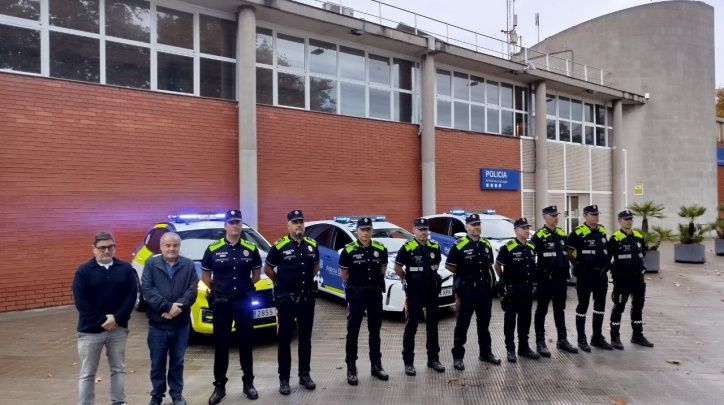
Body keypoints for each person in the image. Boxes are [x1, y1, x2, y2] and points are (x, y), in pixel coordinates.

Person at [203, 210, 263, 404]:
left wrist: (244, 289)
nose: (235, 225)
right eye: (231, 222)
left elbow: (256, 275)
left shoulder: (250, 248)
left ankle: (248, 384)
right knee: (221, 345)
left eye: (237, 222)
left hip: (244, 302)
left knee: (246, 343)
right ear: (225, 226)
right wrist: (221, 290)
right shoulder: (213, 249)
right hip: (222, 304)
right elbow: (206, 277)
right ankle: (219, 386)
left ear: (241, 225)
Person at [72, 232, 137, 405]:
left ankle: (118, 402)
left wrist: (116, 318)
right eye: (102, 248)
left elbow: (131, 297)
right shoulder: (83, 271)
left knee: (118, 369)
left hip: (118, 329)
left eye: (110, 247)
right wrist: (103, 320)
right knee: (87, 372)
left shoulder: (125, 269)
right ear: (94, 249)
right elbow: (81, 302)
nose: (106, 251)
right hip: (90, 332)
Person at [264, 210, 319, 395]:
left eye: (301, 222)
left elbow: (315, 267)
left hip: (306, 299)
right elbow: (268, 268)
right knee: (285, 340)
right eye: (295, 222)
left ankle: (305, 375)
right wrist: (281, 282)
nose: (299, 225)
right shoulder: (279, 246)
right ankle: (284, 379)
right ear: (288, 225)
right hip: (286, 300)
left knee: (305, 339)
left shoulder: (312, 245)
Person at [141, 232, 199, 405]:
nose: (171, 248)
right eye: (168, 245)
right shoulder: (151, 263)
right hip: (158, 324)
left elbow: (192, 290)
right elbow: (147, 289)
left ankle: (176, 394)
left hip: (180, 324)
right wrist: (166, 307)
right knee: (157, 362)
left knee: (177, 362)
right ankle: (157, 395)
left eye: (175, 245)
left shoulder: (188, 265)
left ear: (179, 247)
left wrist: (176, 309)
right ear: (161, 247)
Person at [446, 213, 501, 371]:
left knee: (484, 324)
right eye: (473, 224)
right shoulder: (459, 245)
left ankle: (485, 353)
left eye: (478, 224)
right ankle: (458, 357)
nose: (476, 227)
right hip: (467, 290)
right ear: (466, 227)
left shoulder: (485, 244)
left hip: (483, 290)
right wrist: (463, 273)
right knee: (462, 325)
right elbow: (450, 265)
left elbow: (489, 264)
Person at [339, 217, 389, 385]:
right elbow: (344, 275)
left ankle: (376, 365)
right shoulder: (348, 251)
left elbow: (382, 270)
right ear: (357, 230)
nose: (365, 233)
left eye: (368, 229)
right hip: (357, 296)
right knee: (353, 332)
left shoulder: (380, 249)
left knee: (375, 332)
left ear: (372, 231)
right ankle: (351, 368)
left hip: (374, 294)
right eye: (362, 229)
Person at [393, 217, 445, 376]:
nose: (423, 232)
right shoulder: (407, 248)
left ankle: (433, 359)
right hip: (414, 292)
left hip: (431, 291)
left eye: (425, 229)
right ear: (414, 230)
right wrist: (406, 279)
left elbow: (436, 265)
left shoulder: (434, 247)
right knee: (411, 327)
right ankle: (408, 362)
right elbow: (397, 267)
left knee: (433, 326)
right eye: (420, 229)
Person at [530, 206, 578, 355]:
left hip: (560, 279)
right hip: (546, 279)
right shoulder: (538, 236)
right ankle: (540, 342)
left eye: (556, 215)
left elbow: (569, 254)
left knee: (560, 309)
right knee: (542, 311)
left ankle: (562, 340)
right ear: (544, 217)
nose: (555, 218)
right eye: (552, 215)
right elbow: (530, 255)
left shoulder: (562, 234)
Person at [566, 204, 614, 351]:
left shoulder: (601, 229)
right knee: (583, 305)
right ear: (585, 216)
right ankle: (581, 338)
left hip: (600, 274)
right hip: (585, 275)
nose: (596, 217)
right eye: (593, 215)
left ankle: (597, 337)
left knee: (599, 306)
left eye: (597, 214)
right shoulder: (578, 232)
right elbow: (569, 251)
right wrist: (577, 264)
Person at [494, 218, 540, 363]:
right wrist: (505, 281)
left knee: (525, 319)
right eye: (523, 228)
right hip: (513, 290)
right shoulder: (508, 247)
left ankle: (524, 348)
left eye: (527, 228)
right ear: (515, 230)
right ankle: (510, 349)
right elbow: (497, 266)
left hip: (526, 289)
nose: (526, 231)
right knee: (510, 320)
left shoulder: (531, 247)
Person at [607, 210, 655, 349]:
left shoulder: (638, 236)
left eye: (630, 219)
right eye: (625, 219)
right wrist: (616, 272)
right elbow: (608, 258)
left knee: (638, 307)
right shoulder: (615, 238)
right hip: (622, 280)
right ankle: (615, 337)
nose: (629, 221)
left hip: (638, 278)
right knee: (619, 307)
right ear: (619, 221)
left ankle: (637, 335)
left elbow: (642, 253)